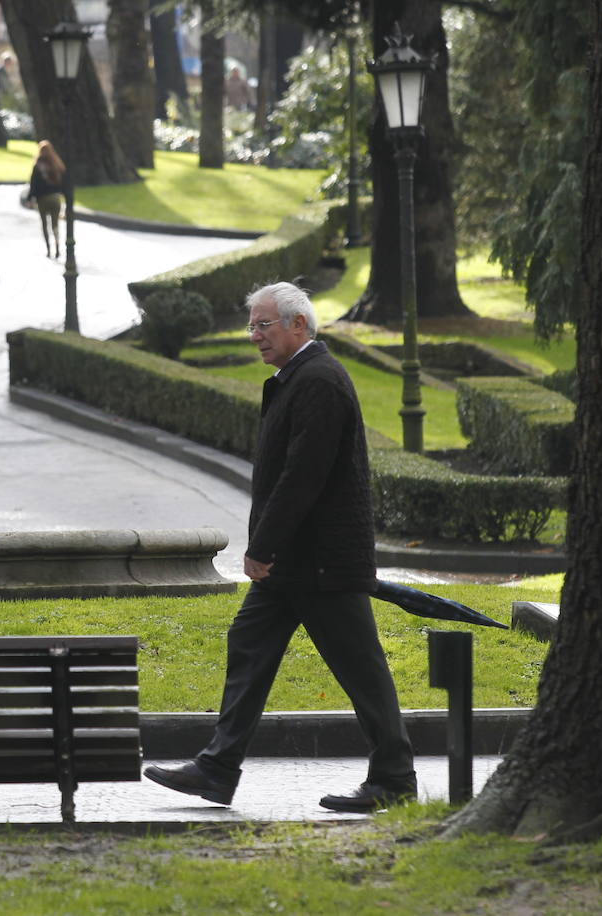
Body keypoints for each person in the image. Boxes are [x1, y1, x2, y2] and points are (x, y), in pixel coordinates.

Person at [143, 282, 417, 813]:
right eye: (251, 325)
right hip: (297, 564)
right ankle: (217, 769)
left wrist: (262, 546)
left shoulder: (318, 380)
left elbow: (302, 477)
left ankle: (395, 778)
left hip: (320, 562)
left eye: (263, 325)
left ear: (299, 325)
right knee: (249, 642)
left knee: (361, 668)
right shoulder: (298, 377)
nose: (254, 336)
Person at [26, 140, 66, 259]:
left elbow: (33, 184)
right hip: (55, 198)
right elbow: (63, 181)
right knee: (55, 225)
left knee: (44, 224)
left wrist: (30, 198)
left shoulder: (38, 165)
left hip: (42, 199)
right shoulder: (57, 164)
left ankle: (49, 249)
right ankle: (58, 247)